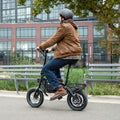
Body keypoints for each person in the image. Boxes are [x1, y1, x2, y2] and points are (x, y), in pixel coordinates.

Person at [36, 8, 82, 101]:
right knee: (54, 62)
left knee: (46, 68)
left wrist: (40, 47)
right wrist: (51, 49)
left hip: (68, 55)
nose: (59, 18)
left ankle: (59, 89)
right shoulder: (72, 26)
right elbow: (66, 42)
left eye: (59, 16)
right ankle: (59, 82)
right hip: (75, 54)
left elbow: (53, 39)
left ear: (63, 18)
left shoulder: (64, 26)